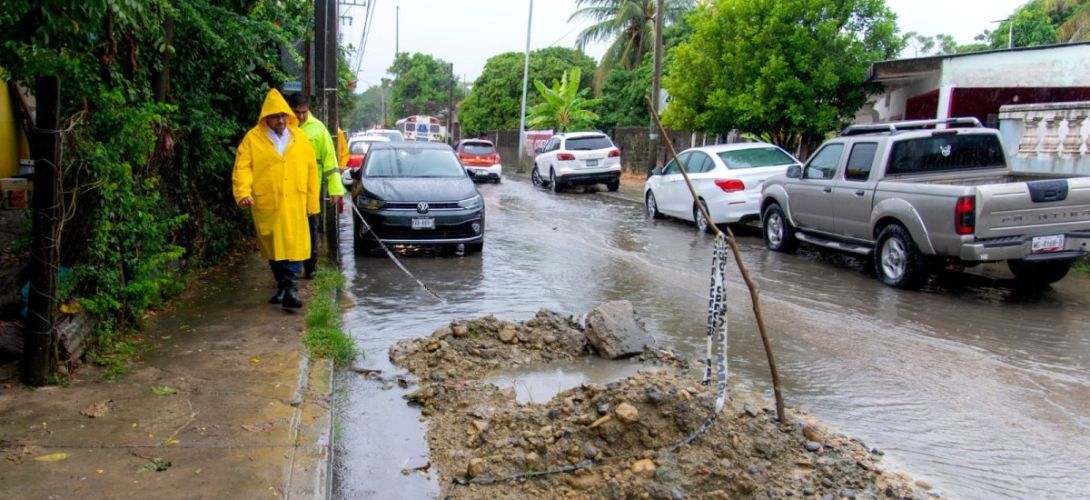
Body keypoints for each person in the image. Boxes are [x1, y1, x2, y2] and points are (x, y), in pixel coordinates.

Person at [233, 89, 318, 309]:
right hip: (267, 202)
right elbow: (243, 167)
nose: (280, 120)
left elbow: (311, 171)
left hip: (295, 202)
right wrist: (243, 193)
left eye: (283, 116)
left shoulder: (299, 138)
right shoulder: (252, 139)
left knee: (295, 246)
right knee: (274, 248)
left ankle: (290, 289)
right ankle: (282, 286)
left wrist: (312, 201)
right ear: (266, 118)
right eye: (275, 116)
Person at [288, 93, 344, 279]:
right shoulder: (284, 127)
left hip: (312, 188)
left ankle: (310, 266)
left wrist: (336, 189)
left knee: (311, 227)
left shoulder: (318, 129)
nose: (301, 117)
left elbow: (330, 161)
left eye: (304, 112)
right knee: (289, 229)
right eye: (297, 113)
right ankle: (290, 269)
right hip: (288, 188)